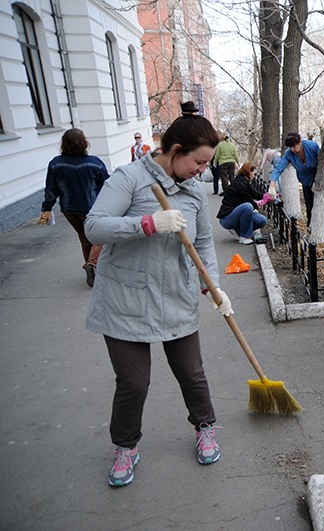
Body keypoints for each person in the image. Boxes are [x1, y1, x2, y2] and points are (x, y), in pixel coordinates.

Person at [85, 101, 233, 487]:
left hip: (175, 296)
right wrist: (147, 223)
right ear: (175, 152)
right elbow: (94, 228)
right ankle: (126, 446)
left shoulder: (195, 191)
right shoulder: (130, 179)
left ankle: (205, 427)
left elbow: (203, 244)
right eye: (199, 163)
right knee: (133, 383)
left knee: (192, 373)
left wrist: (214, 287)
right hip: (125, 299)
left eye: (207, 165)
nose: (203, 171)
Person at [40, 128, 110, 287]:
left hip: (69, 209)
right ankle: (92, 265)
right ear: (84, 143)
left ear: (63, 144)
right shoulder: (94, 163)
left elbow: (51, 190)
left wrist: (46, 208)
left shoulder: (56, 164)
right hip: (92, 208)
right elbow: (107, 185)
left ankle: (90, 268)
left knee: (85, 239)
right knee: (99, 237)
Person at [269, 132, 320, 224]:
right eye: (290, 147)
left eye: (294, 146)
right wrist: (272, 185)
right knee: (309, 205)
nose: (293, 149)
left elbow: (323, 163)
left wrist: (318, 179)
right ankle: (310, 226)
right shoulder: (289, 154)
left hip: (319, 179)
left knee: (321, 205)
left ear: (300, 142)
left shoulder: (312, 146)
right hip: (306, 181)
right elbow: (279, 168)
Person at [217, 162, 268, 245]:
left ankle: (238, 230)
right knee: (248, 206)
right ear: (248, 172)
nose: (254, 176)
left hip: (235, 214)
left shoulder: (244, 182)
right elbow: (249, 202)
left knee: (262, 220)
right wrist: (262, 202)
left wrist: (266, 196)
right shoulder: (240, 184)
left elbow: (254, 194)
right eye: (253, 173)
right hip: (227, 218)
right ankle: (244, 236)